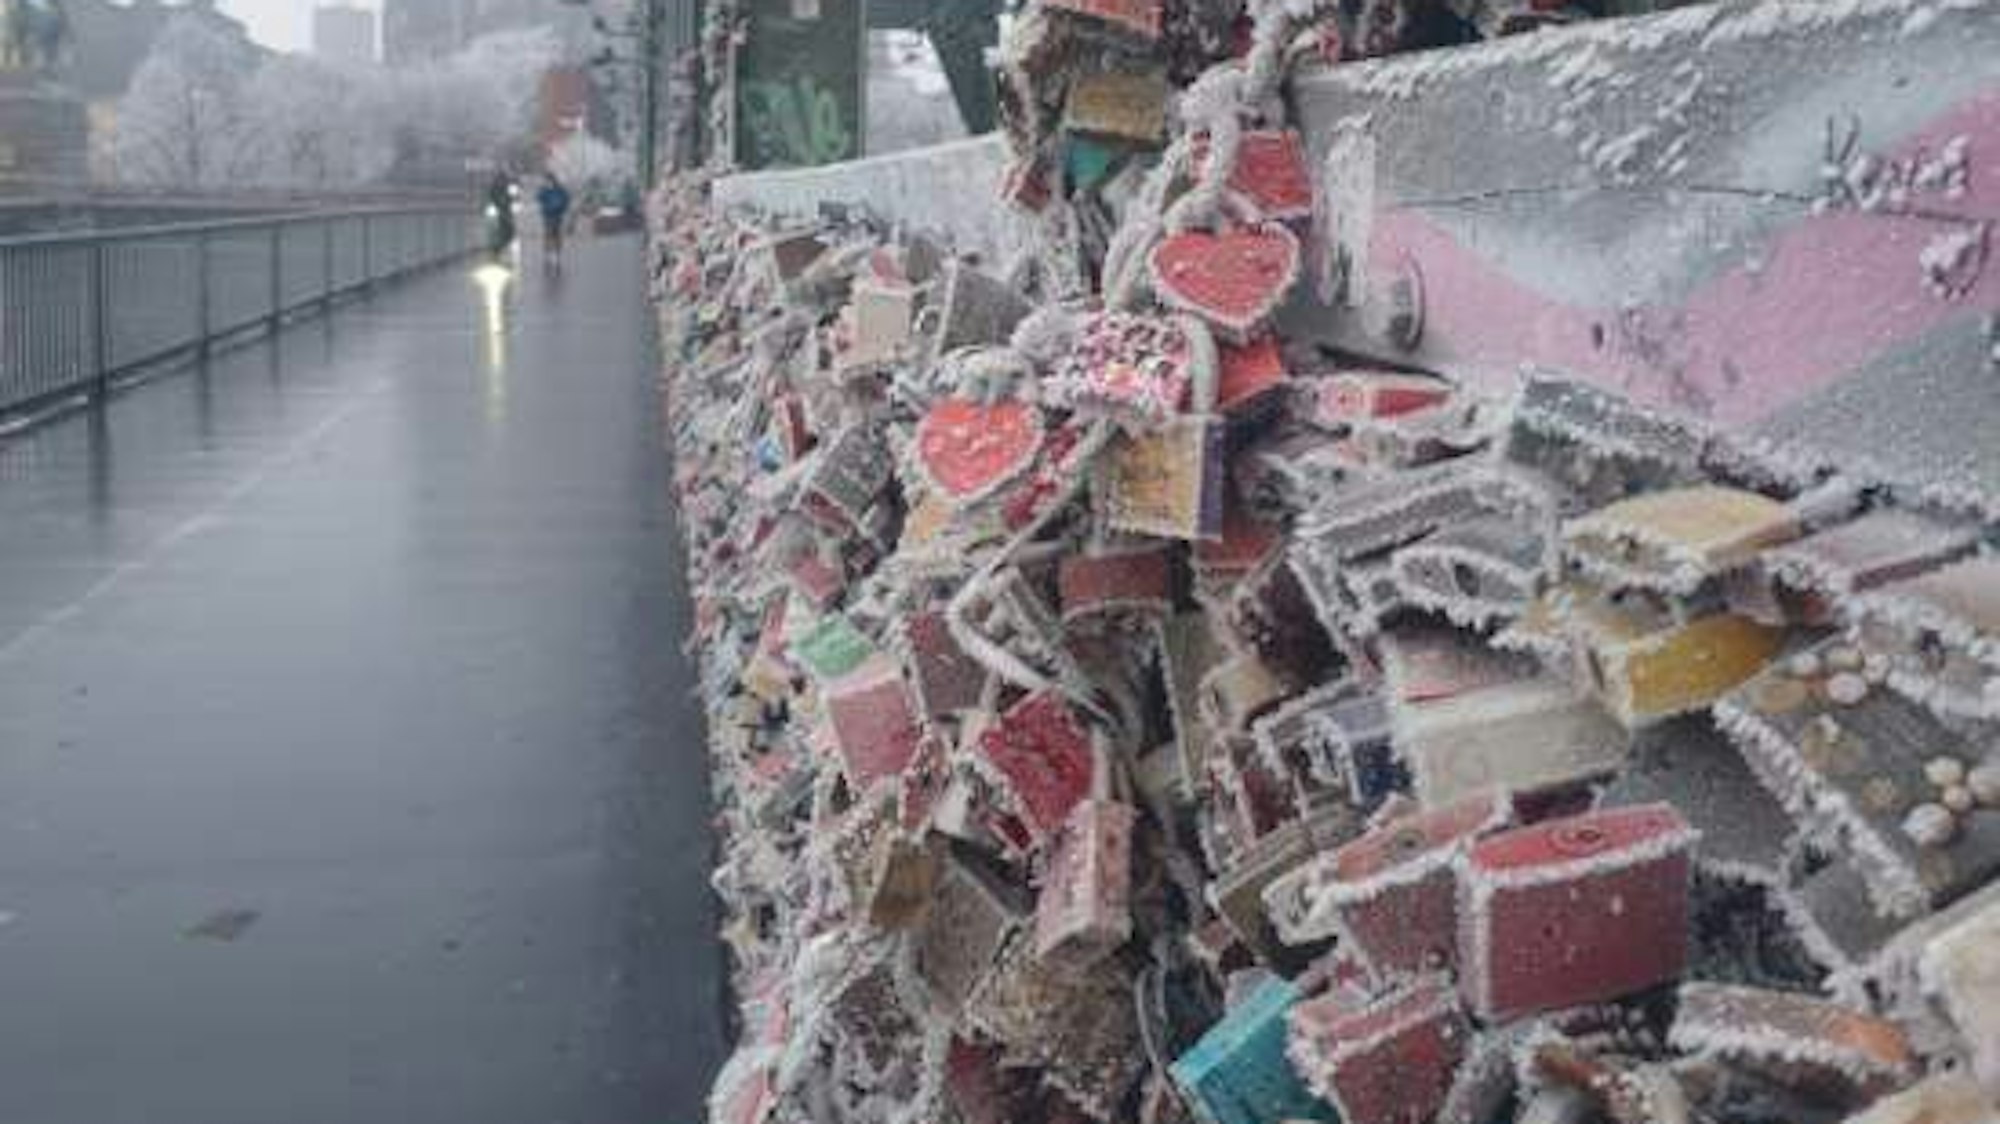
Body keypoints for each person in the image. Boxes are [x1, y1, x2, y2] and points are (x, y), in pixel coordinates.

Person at [536, 173, 573, 268]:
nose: (548, 182)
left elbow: (567, 199)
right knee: (548, 234)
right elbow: (539, 198)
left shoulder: (559, 189)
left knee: (556, 235)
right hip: (548, 215)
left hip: (557, 215)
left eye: (549, 180)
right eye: (547, 181)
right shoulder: (544, 190)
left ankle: (557, 254)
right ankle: (547, 254)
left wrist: (563, 208)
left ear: (553, 180)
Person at [485, 170, 517, 259]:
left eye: (502, 179)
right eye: (500, 179)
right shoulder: (494, 187)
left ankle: (501, 247)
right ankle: (496, 249)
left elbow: (513, 198)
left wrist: (511, 205)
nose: (501, 181)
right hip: (498, 212)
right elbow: (490, 198)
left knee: (509, 231)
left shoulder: (508, 187)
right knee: (495, 231)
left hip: (506, 211)